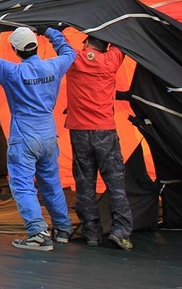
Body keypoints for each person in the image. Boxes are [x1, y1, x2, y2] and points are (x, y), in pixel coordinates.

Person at [0, 20, 76, 251]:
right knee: (51, 182)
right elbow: (69, 52)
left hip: (24, 136)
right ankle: (62, 228)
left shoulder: (12, 72)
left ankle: (38, 233)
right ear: (36, 47)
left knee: (23, 185)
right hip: (48, 135)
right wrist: (50, 31)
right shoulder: (54, 66)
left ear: (15, 50)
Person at [65, 35, 133, 250]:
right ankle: (121, 231)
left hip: (79, 131)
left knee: (84, 183)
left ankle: (92, 233)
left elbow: (60, 43)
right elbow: (123, 40)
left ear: (85, 44)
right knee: (116, 184)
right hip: (105, 131)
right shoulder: (112, 60)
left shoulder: (73, 59)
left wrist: (54, 29)